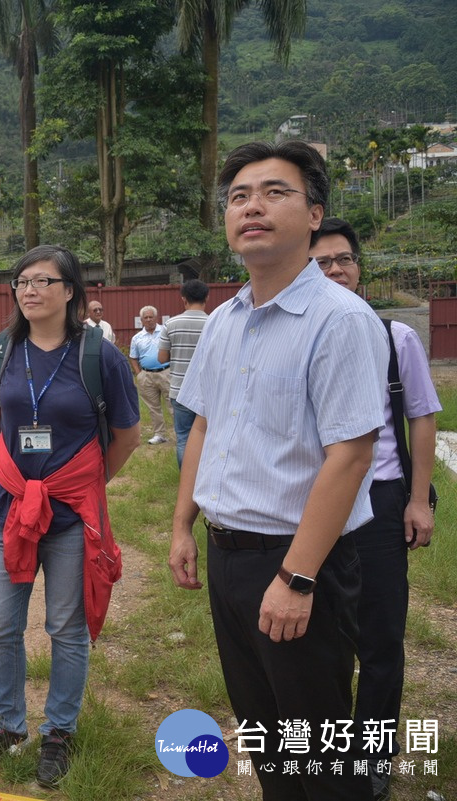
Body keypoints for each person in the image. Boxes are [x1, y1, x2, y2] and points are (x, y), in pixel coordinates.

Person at [168, 141, 387, 801]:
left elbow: (350, 454)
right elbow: (204, 423)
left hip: (299, 561)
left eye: (274, 192)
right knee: (266, 733)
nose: (252, 207)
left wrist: (296, 576)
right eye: (238, 196)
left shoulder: (340, 320)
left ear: (315, 212)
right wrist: (184, 524)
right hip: (228, 556)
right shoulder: (226, 321)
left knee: (317, 748)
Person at [0, 246, 140, 788]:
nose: (29, 289)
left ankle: (58, 730)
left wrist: (83, 484)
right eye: (21, 281)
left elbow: (127, 435)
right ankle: (6, 723)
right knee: (0, 625)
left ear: (70, 291)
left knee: (66, 628)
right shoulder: (3, 349)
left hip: (69, 515)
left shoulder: (98, 354)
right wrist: (28, 482)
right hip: (10, 508)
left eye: (43, 280)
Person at [310, 216, 441, 801]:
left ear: (359, 267)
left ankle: (374, 752)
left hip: (381, 500)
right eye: (320, 262)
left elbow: (422, 416)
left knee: (381, 634)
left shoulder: (395, 337)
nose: (334, 270)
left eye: (343, 259)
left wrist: (417, 500)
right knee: (319, 633)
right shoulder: (300, 334)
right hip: (310, 505)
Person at [157, 280, 210, 467]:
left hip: (180, 391)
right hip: (208, 391)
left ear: (184, 299)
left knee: (183, 438)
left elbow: (162, 358)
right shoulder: (214, 322)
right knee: (208, 438)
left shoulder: (171, 324)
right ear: (206, 298)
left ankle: (186, 482)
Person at [129, 305, 170, 445]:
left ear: (156, 317)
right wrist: (139, 374)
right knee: (153, 407)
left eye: (151, 317)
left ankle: (182, 433)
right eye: (145, 318)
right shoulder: (137, 338)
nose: (148, 320)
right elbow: (133, 357)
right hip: (146, 375)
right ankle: (159, 434)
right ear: (141, 320)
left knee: (174, 404)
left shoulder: (165, 331)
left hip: (166, 372)